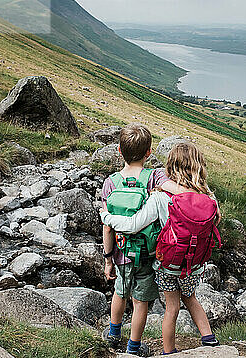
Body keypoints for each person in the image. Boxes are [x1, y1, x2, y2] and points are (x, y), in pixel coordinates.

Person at [101, 142, 221, 355]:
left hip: (167, 264)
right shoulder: (208, 198)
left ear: (169, 167)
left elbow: (134, 225)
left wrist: (106, 217)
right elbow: (215, 221)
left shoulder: (160, 197)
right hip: (193, 264)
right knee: (191, 297)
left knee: (171, 308)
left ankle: (169, 352)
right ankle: (209, 339)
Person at [101, 124, 180, 356]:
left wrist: (108, 260)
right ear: (149, 152)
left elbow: (108, 227)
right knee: (140, 302)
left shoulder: (111, 183)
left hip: (121, 253)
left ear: (118, 150)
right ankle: (133, 347)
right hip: (148, 254)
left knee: (119, 293)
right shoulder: (154, 176)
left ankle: (113, 336)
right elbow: (176, 191)